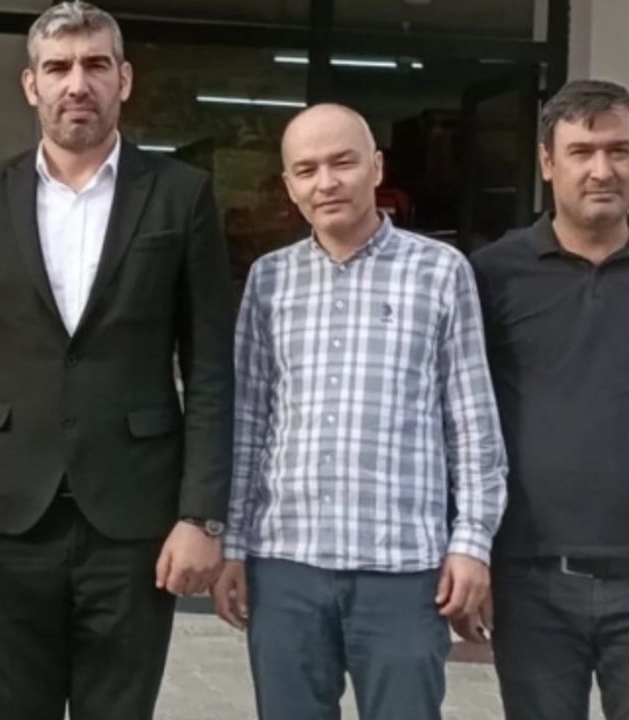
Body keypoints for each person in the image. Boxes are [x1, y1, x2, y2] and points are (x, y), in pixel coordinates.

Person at [0, 3, 235, 718]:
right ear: (32, 85)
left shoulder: (180, 196)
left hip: (136, 517)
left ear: (125, 79)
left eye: (94, 65)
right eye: (57, 68)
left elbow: (211, 367)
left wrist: (203, 515)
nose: (76, 83)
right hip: (9, 514)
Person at [211, 103, 507, 720]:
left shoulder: (440, 273)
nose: (326, 182)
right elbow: (249, 425)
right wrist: (232, 544)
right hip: (286, 566)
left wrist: (472, 543)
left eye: (342, 162)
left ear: (376, 167)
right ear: (289, 186)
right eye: (306, 170)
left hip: (402, 570)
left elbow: (473, 425)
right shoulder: (268, 281)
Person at [466, 79, 629, 720]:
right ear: (547, 162)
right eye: (582, 151)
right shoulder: (491, 276)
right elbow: (459, 421)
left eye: (620, 151)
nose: (602, 170)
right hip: (532, 582)